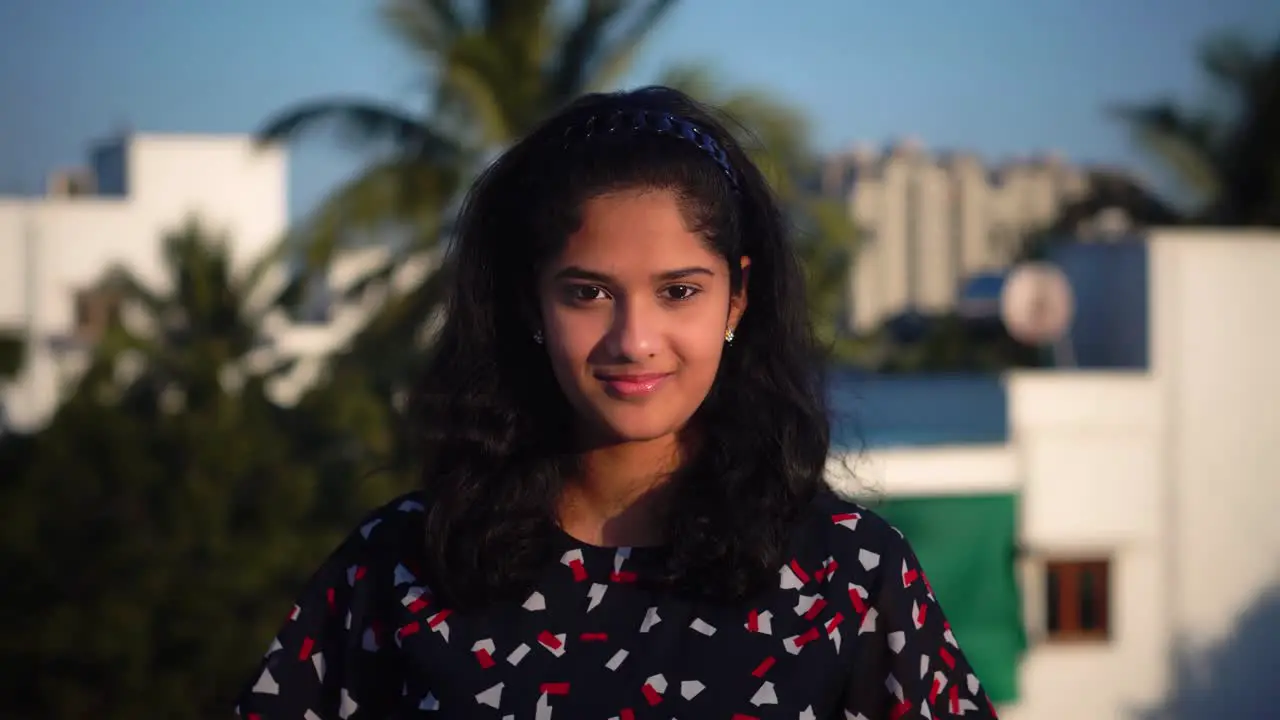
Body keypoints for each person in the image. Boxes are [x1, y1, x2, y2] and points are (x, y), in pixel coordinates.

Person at [235, 86, 998, 719]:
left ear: (736, 299)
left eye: (679, 292)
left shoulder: (848, 576)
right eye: (588, 293)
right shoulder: (402, 565)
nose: (634, 340)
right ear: (531, 305)